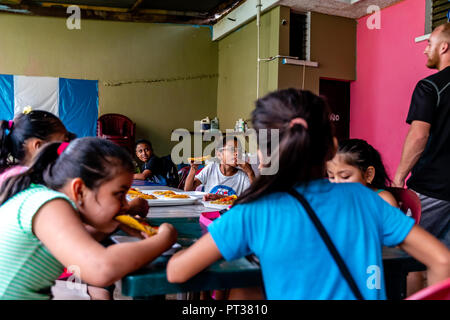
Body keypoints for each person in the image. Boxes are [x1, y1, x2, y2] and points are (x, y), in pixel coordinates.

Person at [166, 89, 450, 300]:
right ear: (332, 146)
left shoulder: (253, 212)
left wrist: (164, 236)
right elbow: (442, 261)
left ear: (264, 156)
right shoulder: (364, 198)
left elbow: (176, 272)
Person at [0, 137, 177, 300]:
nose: (125, 204)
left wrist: (117, 221)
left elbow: (80, 240)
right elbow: (101, 268)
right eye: (119, 194)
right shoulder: (49, 205)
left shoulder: (43, 197)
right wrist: (164, 238)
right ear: (79, 190)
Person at [393, 22, 450, 248]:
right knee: (442, 261)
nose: (425, 49)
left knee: (407, 253)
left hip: (432, 189)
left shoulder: (430, 86)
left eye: (429, 44)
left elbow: (419, 135)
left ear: (444, 47)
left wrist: (398, 179)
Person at [0, 110, 74, 187]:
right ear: (38, 146)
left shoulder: (10, 180)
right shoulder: (35, 188)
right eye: (64, 142)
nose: (67, 148)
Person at [327, 139, 398, 207]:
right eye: (332, 177)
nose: (336, 183)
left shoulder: (383, 200)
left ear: (368, 175)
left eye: (345, 176)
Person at [184, 136, 255, 200]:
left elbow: (254, 198)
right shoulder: (211, 168)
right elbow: (188, 190)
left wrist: (250, 172)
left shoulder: (243, 177)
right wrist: (193, 169)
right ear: (219, 154)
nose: (237, 153)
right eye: (232, 149)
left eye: (239, 150)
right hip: (209, 212)